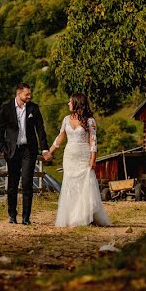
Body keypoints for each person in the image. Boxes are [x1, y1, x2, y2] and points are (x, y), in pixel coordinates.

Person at [47, 93, 111, 227]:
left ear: (76, 103)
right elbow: (60, 137)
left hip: (84, 155)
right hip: (69, 156)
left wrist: (93, 159)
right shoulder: (66, 119)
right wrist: (50, 151)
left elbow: (93, 140)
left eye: (70, 102)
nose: (68, 104)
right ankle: (71, 216)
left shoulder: (90, 121)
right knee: (70, 184)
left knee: (85, 184)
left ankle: (85, 216)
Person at [0, 82, 49, 225]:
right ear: (19, 94)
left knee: (27, 183)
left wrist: (44, 148)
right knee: (13, 184)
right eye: (27, 94)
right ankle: (12, 215)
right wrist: (3, 148)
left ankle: (26, 217)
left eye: (30, 94)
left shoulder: (34, 108)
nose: (29, 96)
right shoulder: (6, 108)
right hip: (12, 151)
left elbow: (40, 129)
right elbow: (0, 130)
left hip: (28, 151)